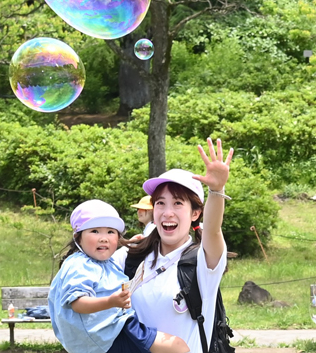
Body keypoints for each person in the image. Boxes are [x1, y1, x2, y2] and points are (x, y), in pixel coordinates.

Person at [113, 138, 233, 353]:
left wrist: (217, 190)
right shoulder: (130, 256)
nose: (167, 212)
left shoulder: (202, 262)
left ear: (195, 213)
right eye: (160, 203)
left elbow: (213, 230)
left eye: (178, 203)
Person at [48, 199, 190, 353]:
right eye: (94, 231)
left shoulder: (101, 261)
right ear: (78, 237)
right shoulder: (80, 265)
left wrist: (129, 243)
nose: (104, 238)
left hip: (111, 331)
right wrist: (111, 301)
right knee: (177, 347)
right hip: (108, 334)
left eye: (111, 232)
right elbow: (78, 304)